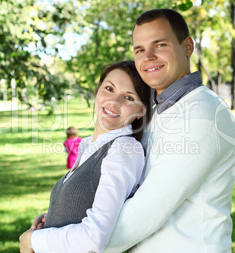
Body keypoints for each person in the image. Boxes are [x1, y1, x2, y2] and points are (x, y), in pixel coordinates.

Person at [98, 9, 235, 253]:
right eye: (139, 49)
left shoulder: (203, 114)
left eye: (160, 44)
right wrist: (59, 222)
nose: (148, 57)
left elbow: (145, 213)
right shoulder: (159, 112)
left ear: (187, 47)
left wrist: (63, 243)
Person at [19, 60, 152, 253]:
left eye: (129, 98)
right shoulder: (89, 145)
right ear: (97, 91)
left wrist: (34, 240)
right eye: (109, 88)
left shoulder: (124, 149)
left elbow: (94, 238)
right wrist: (52, 218)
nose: (114, 101)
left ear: (141, 111)